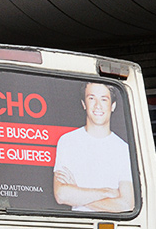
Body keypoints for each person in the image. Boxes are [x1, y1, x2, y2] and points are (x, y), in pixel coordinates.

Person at [53, 82, 134, 213]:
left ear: (113, 106)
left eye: (104, 99)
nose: (97, 106)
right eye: (91, 98)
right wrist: (106, 192)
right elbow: (62, 195)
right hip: (77, 226)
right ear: (84, 104)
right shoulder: (68, 141)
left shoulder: (123, 149)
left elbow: (126, 204)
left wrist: (77, 192)